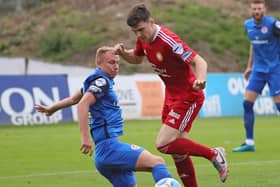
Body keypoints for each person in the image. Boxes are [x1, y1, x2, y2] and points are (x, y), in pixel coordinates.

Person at [114, 4, 229, 187]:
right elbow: (136, 58)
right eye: (135, 31)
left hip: (189, 95)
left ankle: (214, 154)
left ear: (151, 22)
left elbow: (199, 61)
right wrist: (123, 53)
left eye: (141, 30)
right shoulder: (143, 39)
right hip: (171, 96)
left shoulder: (168, 40)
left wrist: (201, 80)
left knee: (164, 144)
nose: (138, 35)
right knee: (177, 150)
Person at [35, 46, 179, 187]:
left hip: (103, 155)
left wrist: (51, 108)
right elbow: (82, 105)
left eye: (117, 63)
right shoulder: (101, 82)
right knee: (157, 162)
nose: (116, 66)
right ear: (99, 63)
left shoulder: (96, 81)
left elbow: (74, 99)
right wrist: (85, 137)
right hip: (110, 148)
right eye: (111, 63)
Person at [233, 0, 280, 152]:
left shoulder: (273, 24)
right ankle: (249, 142)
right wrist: (249, 66)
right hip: (258, 71)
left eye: (259, 8)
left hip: (275, 70)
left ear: (264, 9)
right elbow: (253, 45)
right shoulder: (248, 25)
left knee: (279, 105)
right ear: (250, 10)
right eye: (254, 9)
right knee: (247, 104)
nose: (257, 11)